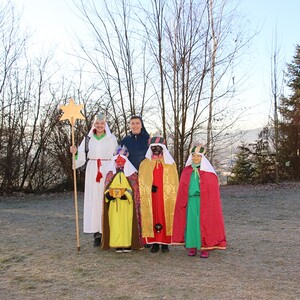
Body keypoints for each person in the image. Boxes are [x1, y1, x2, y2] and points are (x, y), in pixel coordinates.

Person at [70, 113, 118, 247]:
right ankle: (97, 233)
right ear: (94, 124)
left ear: (105, 124)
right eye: (97, 123)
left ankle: (108, 231)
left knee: (106, 198)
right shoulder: (88, 139)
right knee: (94, 200)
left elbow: (116, 155)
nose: (100, 125)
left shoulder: (111, 139)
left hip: (107, 169)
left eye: (102, 123)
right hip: (93, 171)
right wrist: (75, 153)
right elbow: (81, 156)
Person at [172, 145, 226, 258]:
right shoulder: (187, 171)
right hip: (190, 201)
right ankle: (192, 246)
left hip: (204, 202)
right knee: (191, 224)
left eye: (198, 156)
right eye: (193, 156)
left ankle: (204, 247)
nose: (195, 158)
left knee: (203, 224)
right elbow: (182, 188)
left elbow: (212, 190)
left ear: (202, 157)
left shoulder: (208, 172)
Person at [139, 135, 179, 253]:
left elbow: (174, 182)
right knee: (154, 216)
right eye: (153, 147)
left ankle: (165, 243)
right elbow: (142, 181)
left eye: (158, 146)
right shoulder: (145, 164)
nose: (156, 149)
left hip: (165, 198)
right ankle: (155, 242)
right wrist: (149, 187)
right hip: (152, 197)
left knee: (165, 216)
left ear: (163, 148)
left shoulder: (170, 164)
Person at [102, 145, 143, 252]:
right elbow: (106, 188)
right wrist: (108, 195)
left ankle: (128, 243)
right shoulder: (110, 174)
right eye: (117, 160)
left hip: (127, 206)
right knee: (115, 225)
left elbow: (135, 190)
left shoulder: (132, 174)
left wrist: (127, 195)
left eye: (122, 160)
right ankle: (117, 244)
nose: (120, 163)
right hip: (114, 206)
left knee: (127, 224)